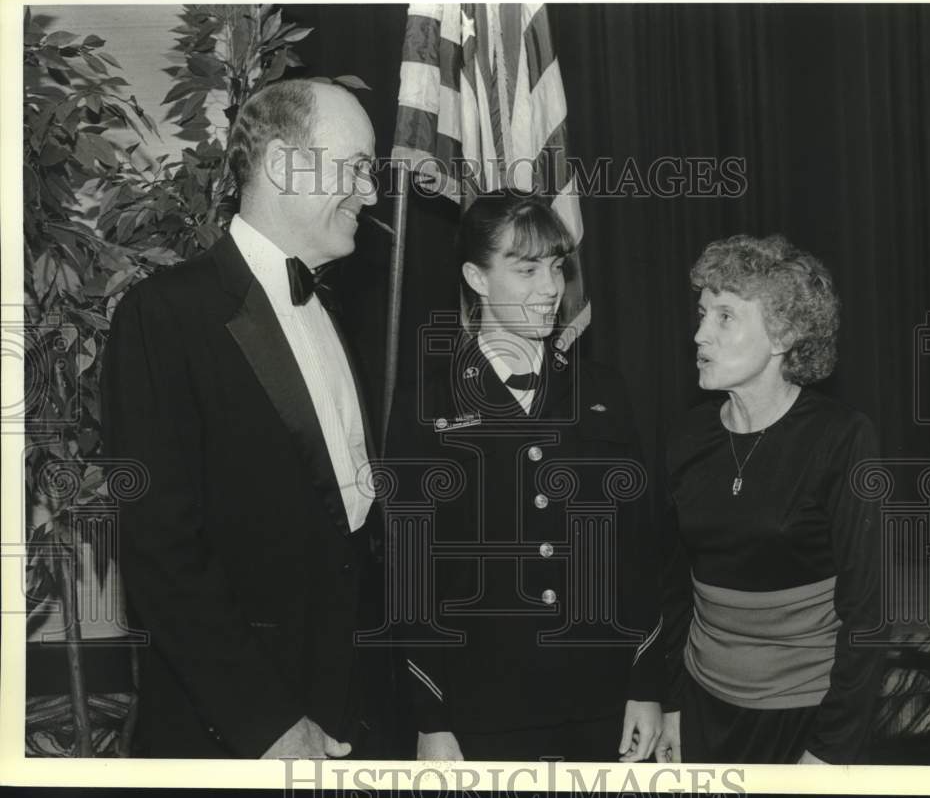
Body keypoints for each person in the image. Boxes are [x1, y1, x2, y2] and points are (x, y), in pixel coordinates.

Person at [101, 80, 383, 758]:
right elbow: (160, 555)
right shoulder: (162, 315)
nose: (371, 193)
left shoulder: (338, 315)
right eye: (356, 167)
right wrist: (272, 725)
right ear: (285, 165)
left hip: (354, 713)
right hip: (237, 735)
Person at [386, 190, 665, 762]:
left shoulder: (602, 391)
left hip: (601, 703)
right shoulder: (426, 403)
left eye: (557, 267)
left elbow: (639, 549)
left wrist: (646, 685)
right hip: (483, 710)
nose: (551, 288)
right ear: (477, 277)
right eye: (527, 268)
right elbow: (407, 571)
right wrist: (430, 716)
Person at [653, 234, 884, 765]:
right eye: (702, 313)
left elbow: (868, 614)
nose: (699, 334)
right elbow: (670, 587)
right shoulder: (686, 436)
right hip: (701, 705)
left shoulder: (842, 438)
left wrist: (829, 752)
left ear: (783, 334)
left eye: (725, 317)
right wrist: (672, 704)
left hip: (805, 721)